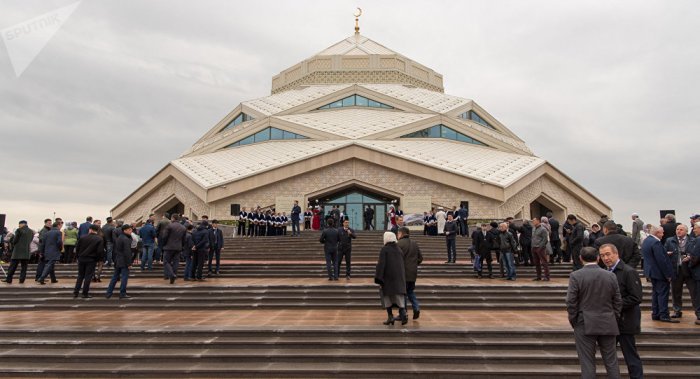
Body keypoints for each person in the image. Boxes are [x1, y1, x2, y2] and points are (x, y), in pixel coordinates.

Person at [566, 246, 622, 379]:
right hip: (608, 321)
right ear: (598, 258)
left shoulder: (576, 276)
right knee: (611, 361)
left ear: (580, 259)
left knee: (587, 362)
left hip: (584, 321)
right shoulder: (610, 275)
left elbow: (571, 301)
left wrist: (574, 320)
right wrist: (614, 316)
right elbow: (618, 300)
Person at [599, 243, 643, 379]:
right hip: (611, 321)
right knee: (609, 355)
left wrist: (615, 305)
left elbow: (636, 297)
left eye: (608, 254)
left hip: (626, 321)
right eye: (602, 255)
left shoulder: (628, 272)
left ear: (616, 254)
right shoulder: (605, 272)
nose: (605, 258)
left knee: (630, 355)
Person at [642, 225, 678, 323]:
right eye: (662, 233)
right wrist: (668, 275)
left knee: (656, 294)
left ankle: (656, 313)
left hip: (651, 272)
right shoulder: (656, 242)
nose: (663, 235)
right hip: (659, 273)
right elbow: (661, 260)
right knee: (662, 294)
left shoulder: (646, 241)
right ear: (657, 233)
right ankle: (664, 315)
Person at [374, 232, 407, 325]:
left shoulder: (385, 250)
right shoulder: (399, 249)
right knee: (399, 297)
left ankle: (390, 317)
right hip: (399, 278)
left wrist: (379, 278)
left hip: (388, 278)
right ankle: (403, 314)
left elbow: (381, 265)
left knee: (387, 297)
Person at [664, 224, 696, 319]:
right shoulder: (670, 240)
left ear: (686, 231)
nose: (678, 231)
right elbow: (663, 252)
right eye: (677, 229)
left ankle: (698, 311)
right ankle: (677, 310)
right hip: (676, 269)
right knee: (676, 292)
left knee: (694, 292)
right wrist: (667, 254)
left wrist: (690, 257)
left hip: (689, 270)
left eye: (681, 229)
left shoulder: (693, 240)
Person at [397, 226, 423, 320]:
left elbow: (397, 259)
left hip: (402, 273)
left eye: (398, 233)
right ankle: (416, 308)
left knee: (402, 293)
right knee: (410, 291)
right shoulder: (414, 243)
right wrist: (413, 265)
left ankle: (404, 313)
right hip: (413, 273)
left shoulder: (398, 244)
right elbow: (420, 258)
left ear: (401, 233)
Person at [73, 224, 104, 298]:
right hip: (91, 259)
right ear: (97, 230)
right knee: (88, 276)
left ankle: (76, 292)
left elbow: (77, 248)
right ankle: (85, 293)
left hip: (81, 258)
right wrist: (99, 260)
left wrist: (78, 257)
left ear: (90, 229)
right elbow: (100, 251)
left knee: (80, 276)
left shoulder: (82, 237)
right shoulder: (99, 239)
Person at [105, 224, 133, 299]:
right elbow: (127, 252)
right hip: (123, 261)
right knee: (124, 278)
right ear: (125, 230)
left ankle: (109, 293)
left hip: (118, 260)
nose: (131, 231)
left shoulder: (120, 237)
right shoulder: (125, 239)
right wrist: (129, 263)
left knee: (115, 277)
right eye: (129, 230)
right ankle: (122, 293)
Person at [160, 214, 186, 284]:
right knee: (176, 262)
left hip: (168, 247)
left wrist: (163, 244)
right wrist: (181, 246)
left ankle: (172, 275)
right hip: (178, 247)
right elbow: (184, 239)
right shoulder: (183, 227)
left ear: (173, 218)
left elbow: (164, 237)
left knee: (166, 262)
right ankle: (173, 276)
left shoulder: (169, 226)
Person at [687, 222, 700, 325]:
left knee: (698, 295)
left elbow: (695, 256)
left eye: (695, 228)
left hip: (698, 273)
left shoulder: (698, 240)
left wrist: (690, 264)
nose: (694, 230)